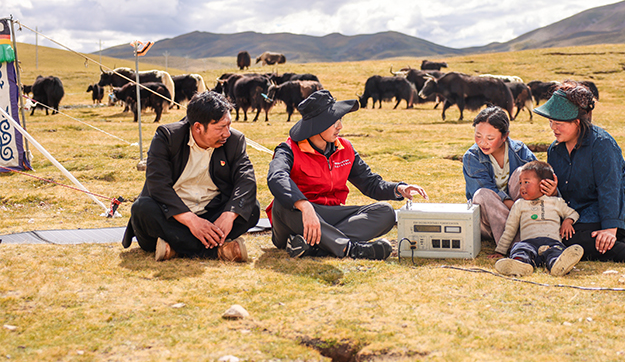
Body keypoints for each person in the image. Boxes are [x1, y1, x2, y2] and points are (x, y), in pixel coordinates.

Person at [267, 90, 428, 260]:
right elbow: (276, 177)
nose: (340, 126)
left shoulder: (346, 148)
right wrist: (304, 206)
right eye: (333, 121)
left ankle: (313, 247)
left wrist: (398, 188)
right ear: (317, 125)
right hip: (296, 220)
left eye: (340, 120)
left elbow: (370, 184)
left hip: (332, 216)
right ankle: (350, 249)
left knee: (386, 212)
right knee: (282, 204)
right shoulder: (288, 149)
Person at [533, 81, 625, 267]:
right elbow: (566, 195)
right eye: (551, 122)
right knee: (562, 235)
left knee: (572, 240)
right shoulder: (554, 150)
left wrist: (610, 228)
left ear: (577, 122)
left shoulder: (602, 144)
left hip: (624, 214)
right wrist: (553, 194)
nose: (553, 128)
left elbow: (611, 188)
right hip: (585, 213)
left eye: (559, 123)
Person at [122, 91, 260, 262]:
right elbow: (157, 185)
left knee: (251, 208)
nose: (227, 133)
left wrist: (229, 215)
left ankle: (175, 248)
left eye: (229, 125)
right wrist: (191, 221)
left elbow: (246, 180)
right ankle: (216, 252)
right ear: (197, 127)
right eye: (220, 128)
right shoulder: (167, 137)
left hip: (211, 216)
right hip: (171, 217)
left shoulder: (235, 141)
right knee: (142, 209)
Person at [462, 106, 554, 243]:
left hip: (525, 214)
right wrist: (518, 210)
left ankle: (530, 235)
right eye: (478, 136)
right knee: (482, 194)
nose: (482, 142)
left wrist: (551, 190)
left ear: (505, 136)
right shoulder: (472, 157)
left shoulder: (520, 150)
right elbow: (484, 193)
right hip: (490, 221)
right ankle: (519, 243)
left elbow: (541, 177)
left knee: (522, 173)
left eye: (490, 138)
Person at [494, 161, 584, 277]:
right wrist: (500, 251)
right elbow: (510, 229)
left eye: (526, 182)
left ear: (544, 184)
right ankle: (519, 264)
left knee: (556, 251)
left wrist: (568, 221)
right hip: (528, 242)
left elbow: (573, 213)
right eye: (520, 183)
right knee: (520, 249)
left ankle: (557, 265)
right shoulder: (519, 204)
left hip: (552, 242)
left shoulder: (556, 202)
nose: (522, 187)